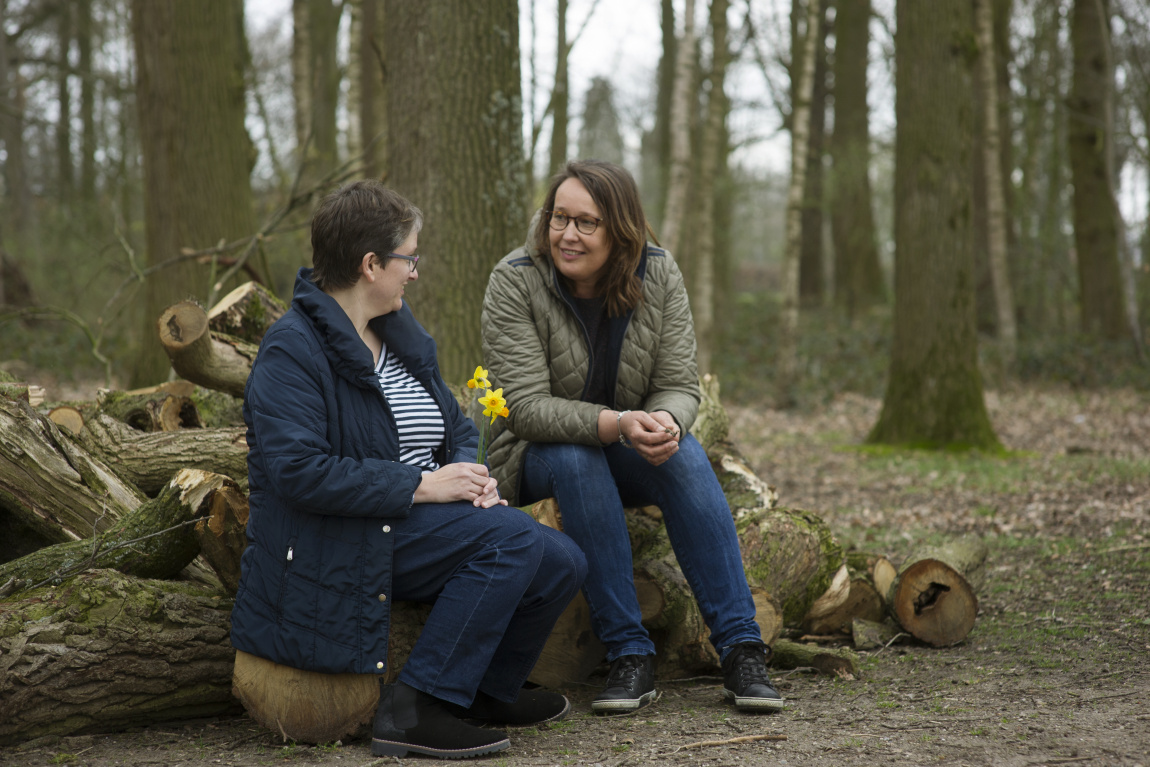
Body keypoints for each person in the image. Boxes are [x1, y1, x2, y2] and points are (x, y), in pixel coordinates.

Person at [230, 181, 587, 759]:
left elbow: (456, 426)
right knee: (515, 544)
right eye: (409, 258)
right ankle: (415, 707)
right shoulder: (293, 350)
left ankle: (484, 691)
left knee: (564, 560)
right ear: (371, 264)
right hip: (342, 532)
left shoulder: (397, 333)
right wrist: (423, 484)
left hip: (414, 517)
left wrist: (468, 474)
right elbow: (298, 471)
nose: (415, 272)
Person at [480, 160, 783, 714]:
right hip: (534, 455)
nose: (567, 234)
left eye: (586, 222)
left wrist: (666, 421)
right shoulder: (515, 278)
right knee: (575, 456)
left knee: (686, 455)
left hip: (625, 446)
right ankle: (628, 653)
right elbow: (523, 408)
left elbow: (677, 384)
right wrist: (616, 423)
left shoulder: (659, 273)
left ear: (621, 228)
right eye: (559, 218)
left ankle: (742, 649)